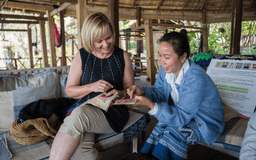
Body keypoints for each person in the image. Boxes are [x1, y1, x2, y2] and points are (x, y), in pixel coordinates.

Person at [49, 12, 134, 160]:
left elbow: (130, 92)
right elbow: (70, 91)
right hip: (86, 107)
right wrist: (91, 87)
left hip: (113, 112)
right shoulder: (82, 56)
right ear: (89, 39)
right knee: (80, 149)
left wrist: (119, 93)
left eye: (108, 38)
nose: (106, 44)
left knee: (79, 115)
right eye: (99, 41)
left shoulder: (123, 56)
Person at [127, 31, 225, 160]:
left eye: (167, 57)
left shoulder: (195, 78)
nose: (161, 61)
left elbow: (181, 118)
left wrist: (151, 105)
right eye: (160, 55)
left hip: (204, 121)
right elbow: (160, 91)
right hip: (185, 115)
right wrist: (143, 92)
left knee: (172, 134)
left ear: (183, 57)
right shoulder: (166, 69)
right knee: (159, 128)